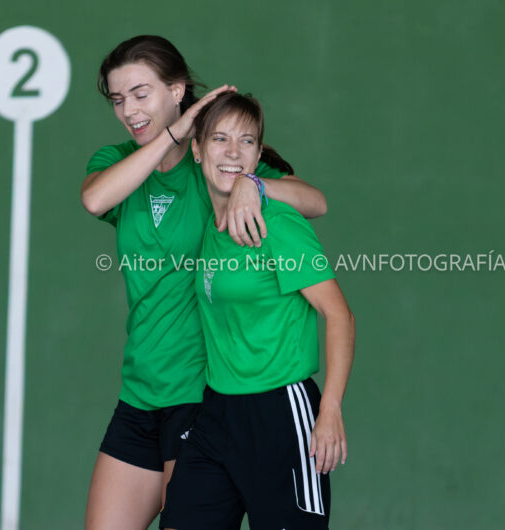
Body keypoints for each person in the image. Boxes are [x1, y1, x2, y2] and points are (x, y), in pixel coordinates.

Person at [81, 35, 328, 530]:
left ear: (177, 91)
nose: (129, 109)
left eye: (141, 93)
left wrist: (253, 185)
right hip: (140, 394)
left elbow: (314, 201)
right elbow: (94, 199)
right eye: (117, 99)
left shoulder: (218, 164)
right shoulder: (116, 163)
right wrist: (171, 137)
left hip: (198, 397)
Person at [160, 92, 355, 530]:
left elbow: (340, 315)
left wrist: (331, 409)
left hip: (282, 414)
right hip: (216, 415)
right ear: (196, 149)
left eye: (246, 142)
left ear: (258, 153)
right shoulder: (213, 227)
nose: (233, 152)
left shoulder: (279, 224)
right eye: (220, 139)